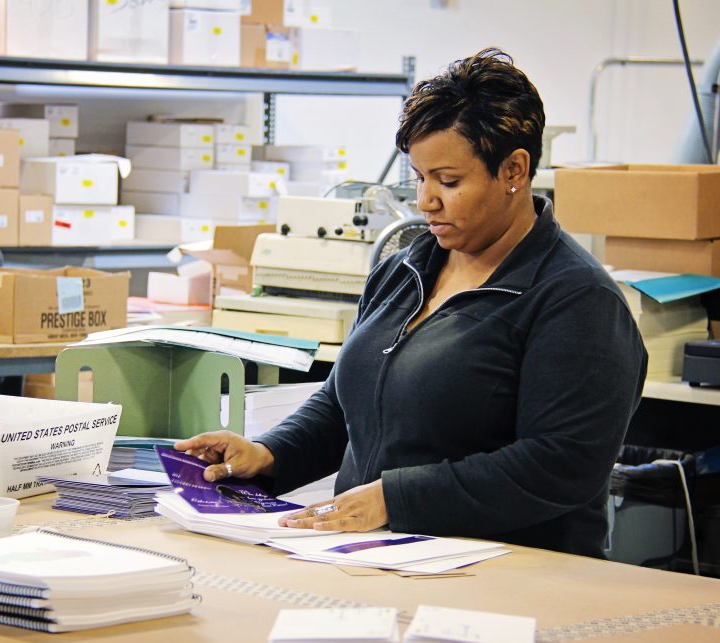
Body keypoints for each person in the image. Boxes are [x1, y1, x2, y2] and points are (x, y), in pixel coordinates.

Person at [175, 47, 648, 558]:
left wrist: (395, 498)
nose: (425, 201)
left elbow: (561, 465)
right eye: (419, 178)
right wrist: (269, 453)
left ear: (514, 170)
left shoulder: (576, 300)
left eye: (449, 182)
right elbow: (346, 404)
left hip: (511, 574)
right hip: (381, 554)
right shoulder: (408, 264)